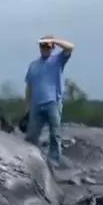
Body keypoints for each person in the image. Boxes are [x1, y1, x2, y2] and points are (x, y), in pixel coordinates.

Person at [24, 35, 75, 165]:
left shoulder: (58, 60)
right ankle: (30, 159)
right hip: (36, 104)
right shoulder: (33, 65)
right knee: (32, 135)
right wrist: (27, 106)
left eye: (48, 46)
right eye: (43, 46)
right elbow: (29, 87)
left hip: (53, 102)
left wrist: (53, 40)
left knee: (55, 134)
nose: (45, 48)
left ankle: (54, 161)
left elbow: (70, 47)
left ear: (52, 48)